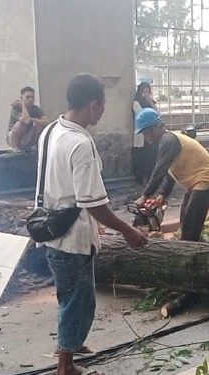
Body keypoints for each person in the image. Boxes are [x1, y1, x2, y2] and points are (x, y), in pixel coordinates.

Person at [37, 73, 147, 375]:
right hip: (72, 239)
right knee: (78, 304)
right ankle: (66, 366)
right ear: (91, 104)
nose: (102, 111)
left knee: (69, 298)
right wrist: (128, 231)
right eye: (102, 104)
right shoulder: (80, 143)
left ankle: (70, 344)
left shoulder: (51, 130)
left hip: (51, 231)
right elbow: (93, 203)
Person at [134, 108, 209, 241]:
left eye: (147, 133)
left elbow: (160, 170)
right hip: (197, 180)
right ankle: (188, 244)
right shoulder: (167, 140)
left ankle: (190, 252)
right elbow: (170, 172)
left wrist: (145, 195)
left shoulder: (168, 140)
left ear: (156, 128)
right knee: (185, 217)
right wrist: (163, 194)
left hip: (205, 177)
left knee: (191, 224)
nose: (147, 138)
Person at [131, 82, 158, 184]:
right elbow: (143, 116)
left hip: (152, 133)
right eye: (144, 91)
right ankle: (142, 178)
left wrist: (150, 101)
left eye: (148, 91)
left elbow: (156, 113)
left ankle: (151, 177)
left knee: (151, 156)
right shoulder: (136, 103)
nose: (146, 94)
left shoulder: (150, 102)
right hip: (142, 133)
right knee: (142, 156)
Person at [7, 86, 48, 151]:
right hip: (13, 138)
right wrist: (23, 105)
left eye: (32, 97)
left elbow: (46, 122)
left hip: (27, 137)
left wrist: (33, 119)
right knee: (20, 123)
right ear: (21, 98)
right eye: (27, 97)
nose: (30, 99)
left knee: (39, 124)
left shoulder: (36, 109)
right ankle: (16, 148)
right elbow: (25, 120)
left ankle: (34, 146)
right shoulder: (16, 108)